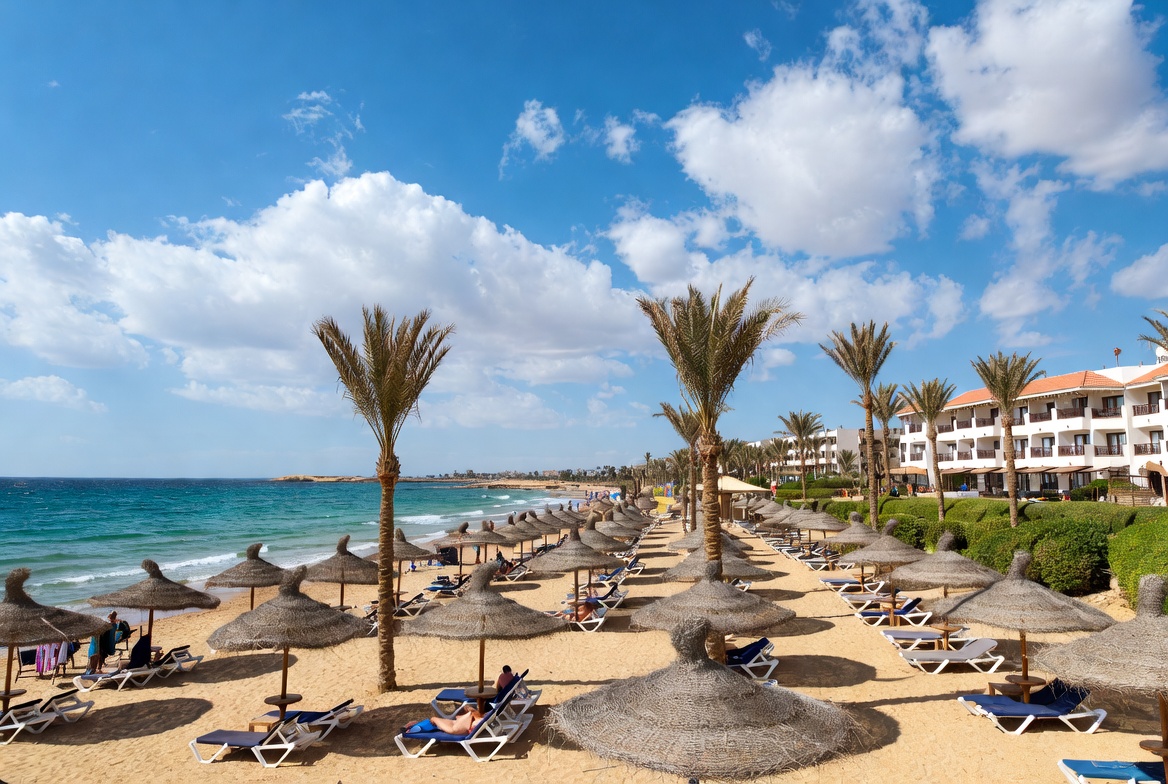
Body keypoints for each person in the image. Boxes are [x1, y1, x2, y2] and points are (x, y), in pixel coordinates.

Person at [402, 704, 484, 735]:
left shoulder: (476, 719)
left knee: (451, 727)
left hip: (468, 721)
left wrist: (434, 718)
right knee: (450, 725)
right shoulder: (480, 719)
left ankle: (414, 727)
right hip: (469, 721)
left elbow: (454, 729)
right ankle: (415, 727)